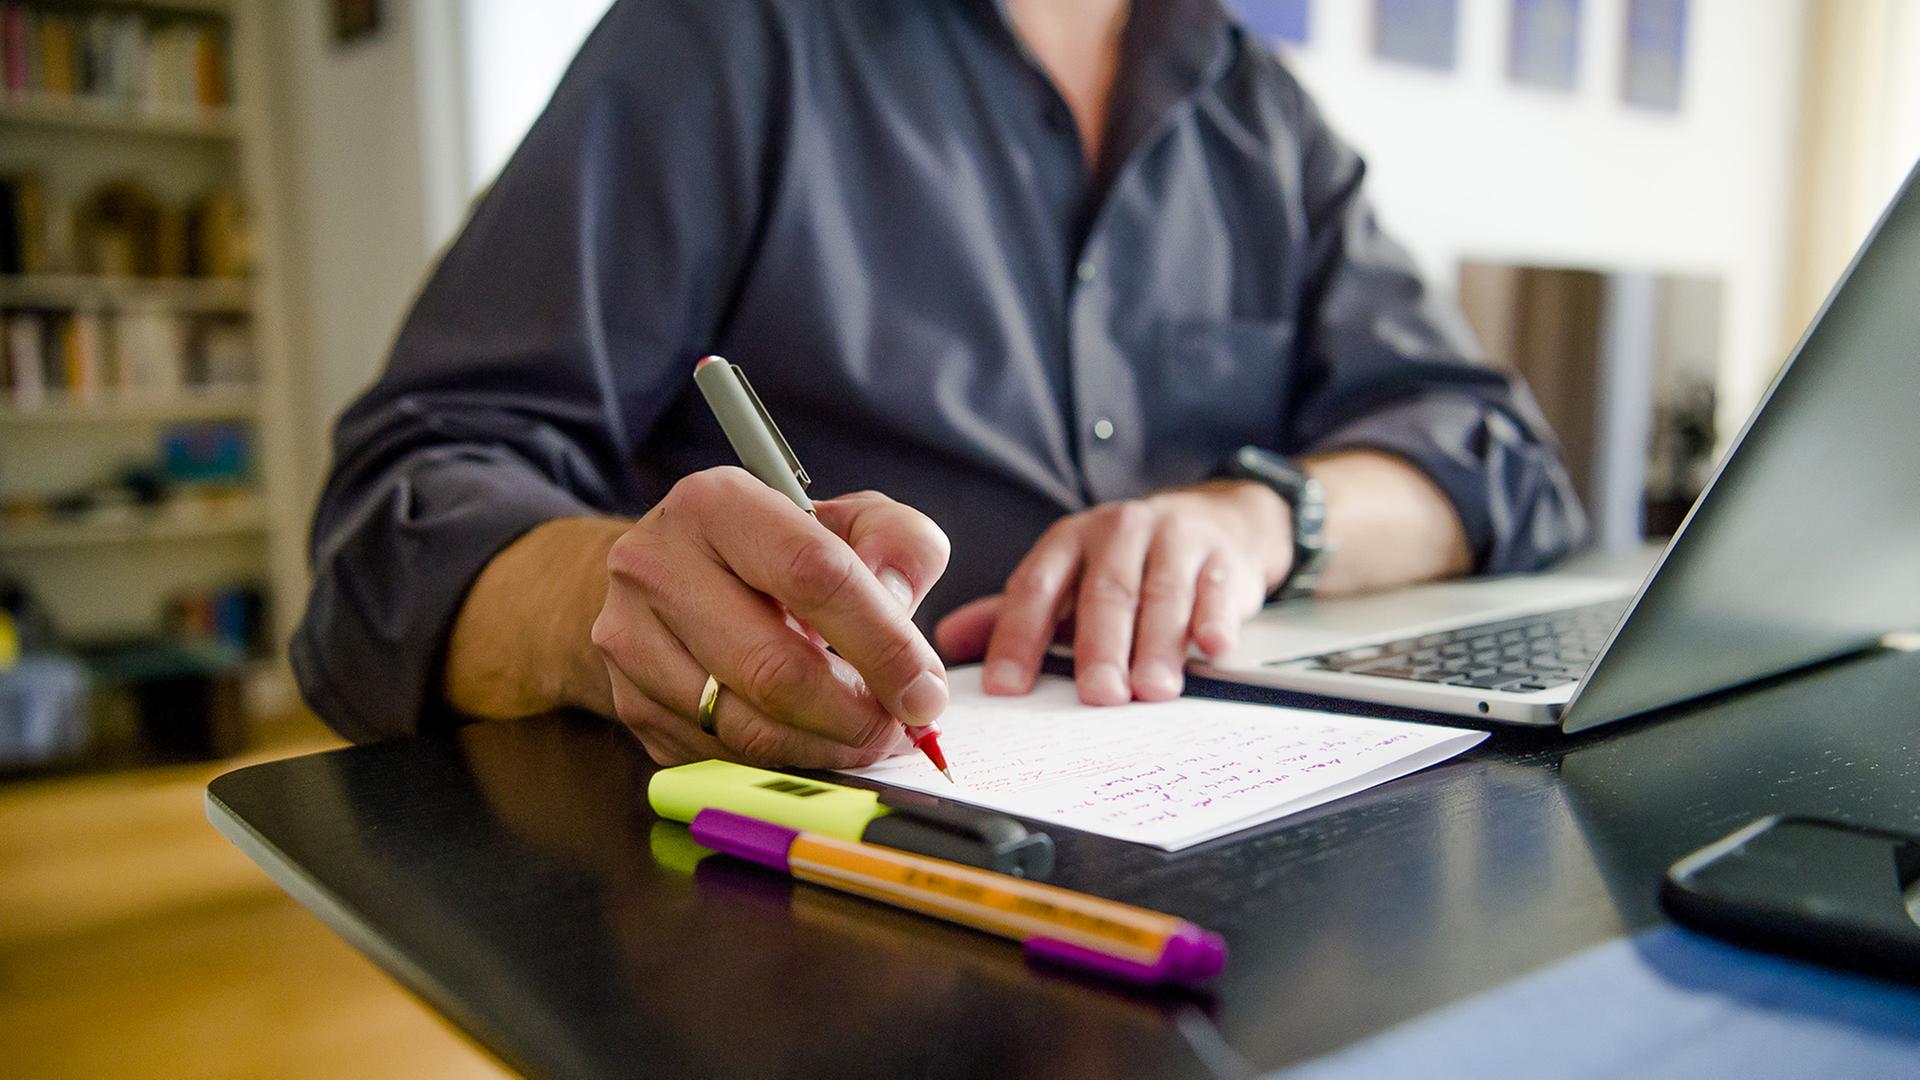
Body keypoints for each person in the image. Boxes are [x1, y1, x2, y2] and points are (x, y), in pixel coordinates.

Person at [294, 0, 1583, 769]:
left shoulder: (1262, 117)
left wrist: (1258, 522)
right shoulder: (727, 39)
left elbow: (1494, 454)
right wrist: (609, 601)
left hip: (1239, 853)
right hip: (807, 911)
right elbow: (395, 520)